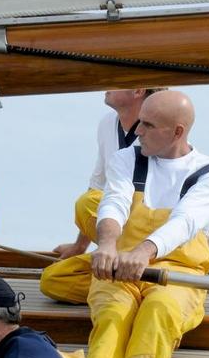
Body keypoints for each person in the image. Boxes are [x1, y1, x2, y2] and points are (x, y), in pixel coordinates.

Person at [87, 90, 209, 358]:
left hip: (177, 273)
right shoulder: (126, 158)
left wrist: (144, 252)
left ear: (178, 132)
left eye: (148, 126)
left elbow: (185, 222)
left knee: (159, 310)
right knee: (113, 314)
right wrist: (107, 244)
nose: (137, 132)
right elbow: (114, 202)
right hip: (122, 265)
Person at [40, 88, 164, 304]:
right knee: (52, 279)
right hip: (118, 232)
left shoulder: (158, 132)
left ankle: (136, 280)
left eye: (115, 81)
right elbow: (98, 183)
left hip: (152, 234)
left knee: (88, 202)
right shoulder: (107, 124)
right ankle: (134, 283)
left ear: (138, 90)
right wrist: (80, 246)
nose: (106, 86)